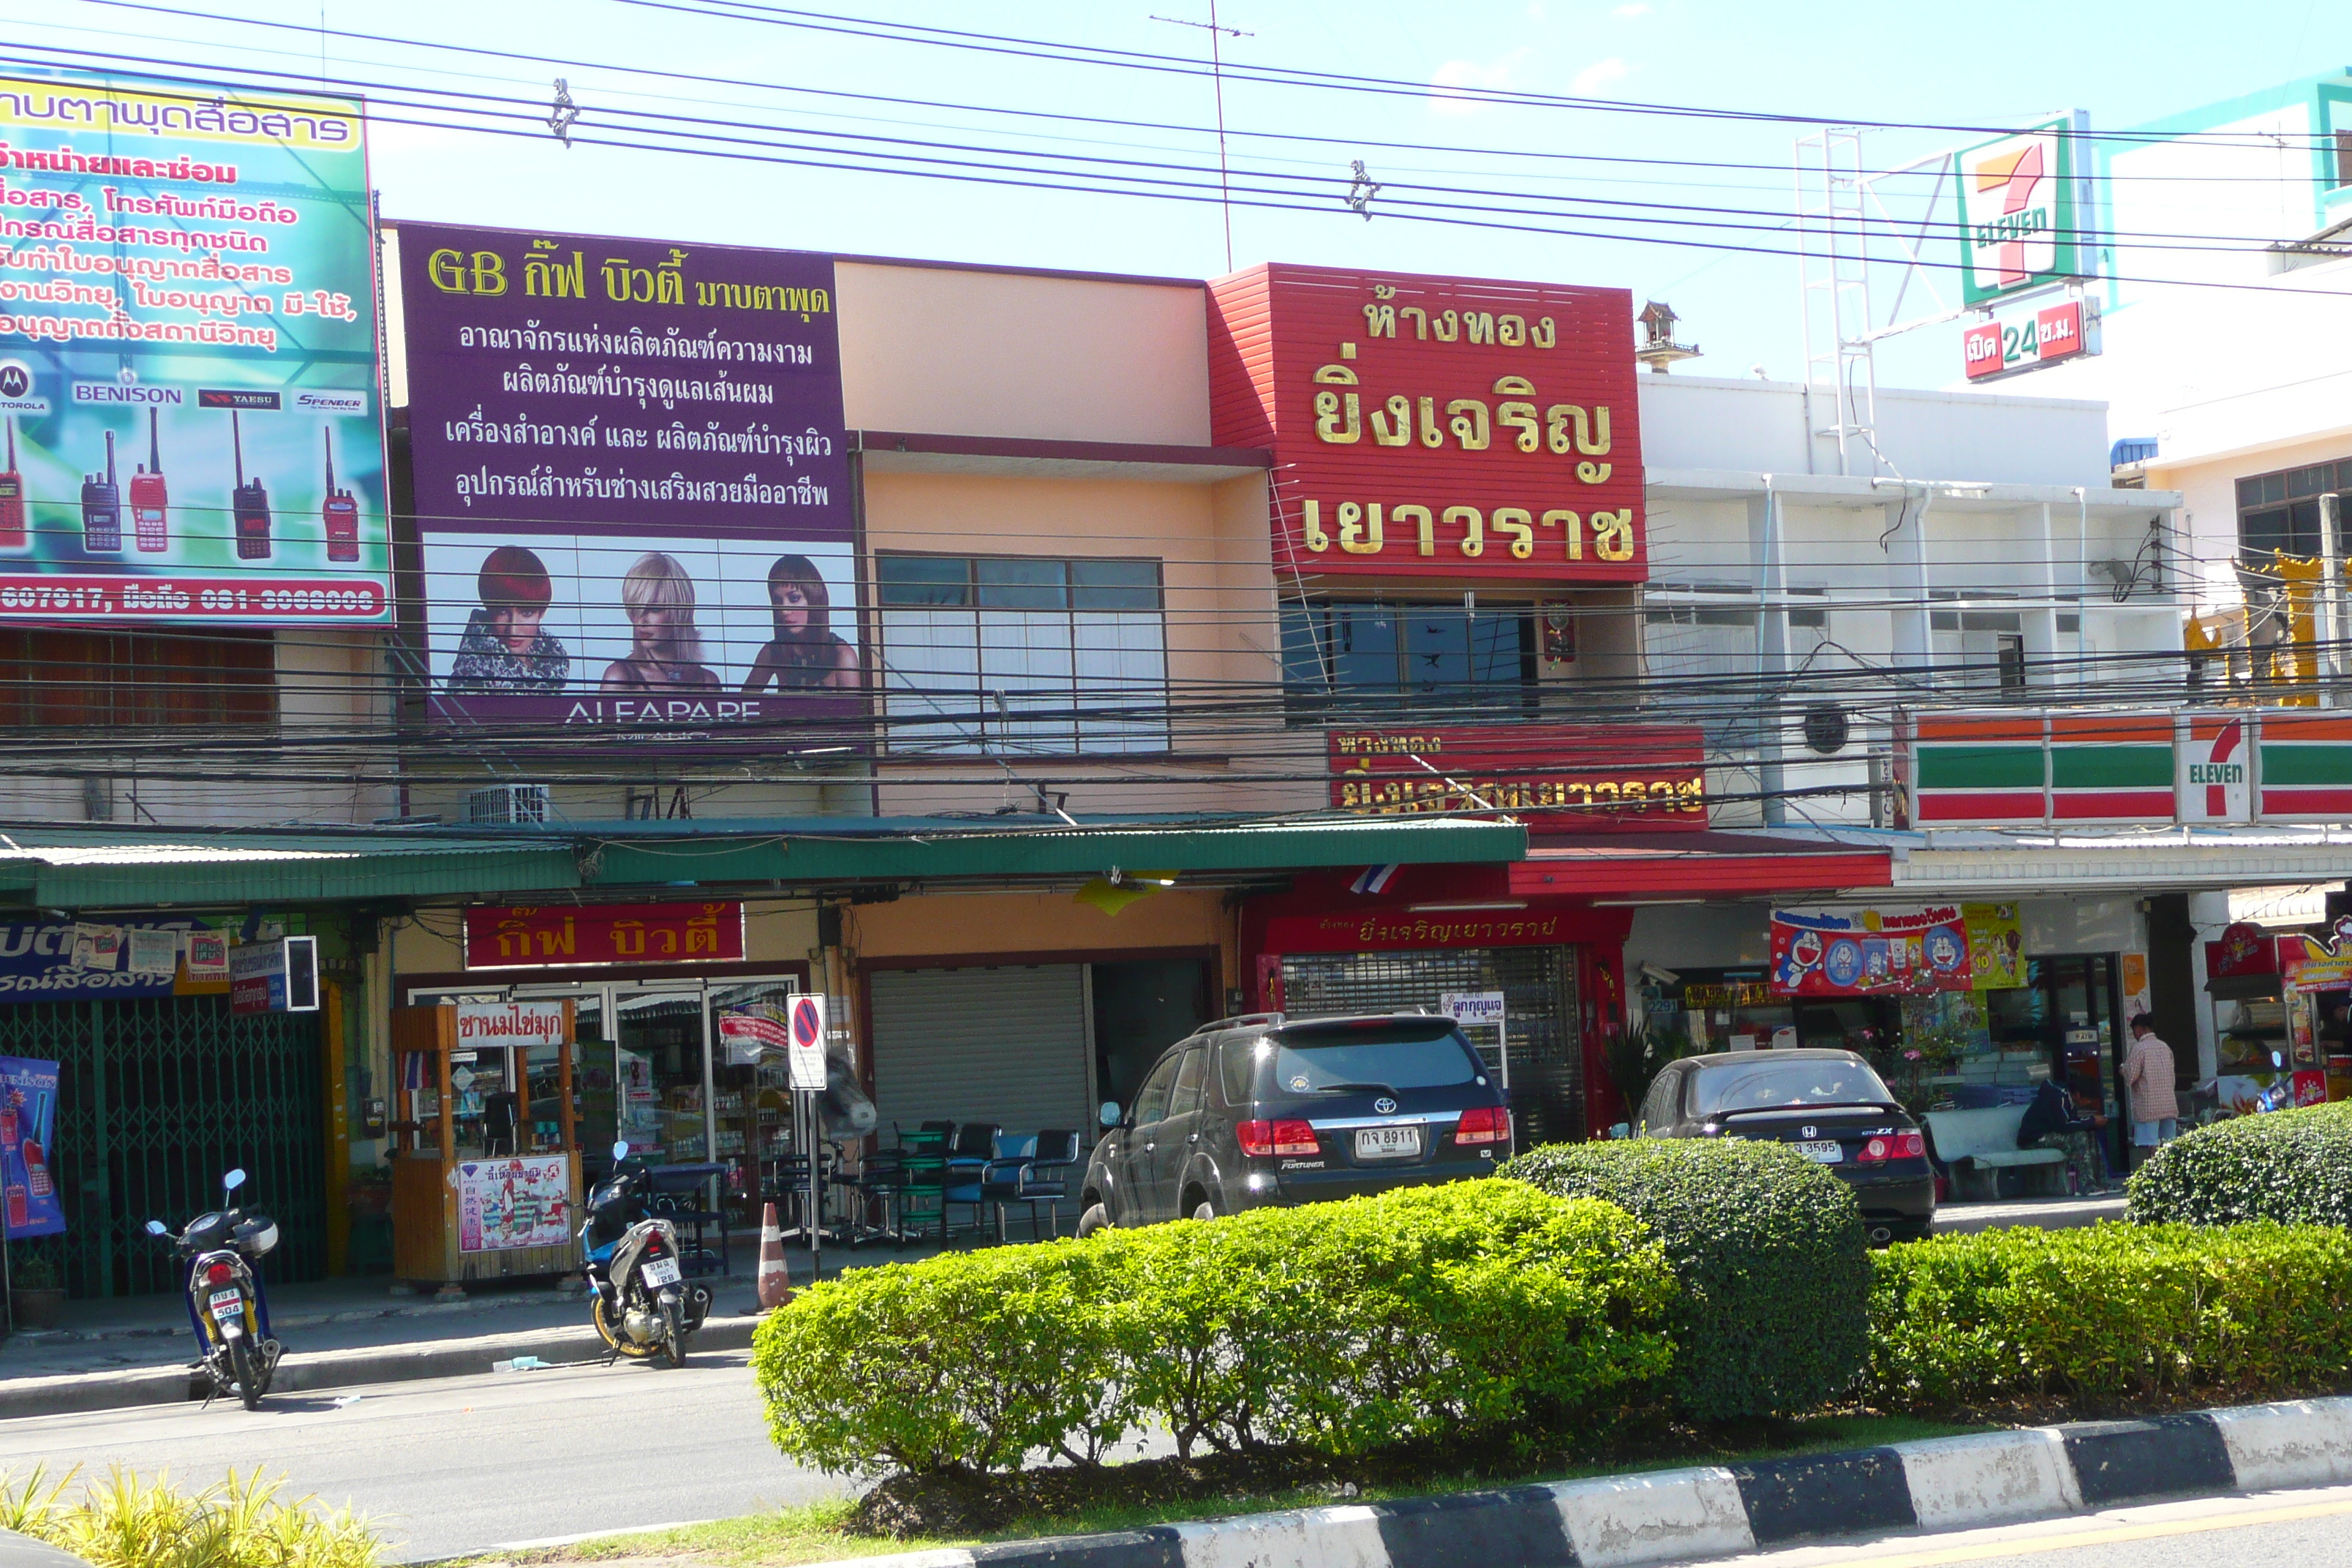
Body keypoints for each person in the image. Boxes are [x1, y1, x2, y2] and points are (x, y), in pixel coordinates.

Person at [449, 545, 568, 691]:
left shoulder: (553, 663)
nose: (513, 629)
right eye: (503, 612)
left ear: (541, 613)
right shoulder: (473, 680)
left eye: (526, 613)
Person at [600, 551, 721, 693]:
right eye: (635, 609)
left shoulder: (707, 683)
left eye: (654, 609)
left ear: (679, 611)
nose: (641, 621)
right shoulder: (620, 677)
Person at [741, 554, 858, 693]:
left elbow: (855, 711)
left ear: (814, 599)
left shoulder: (842, 654)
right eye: (778, 601)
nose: (784, 610)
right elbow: (744, 705)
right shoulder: (773, 651)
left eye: (794, 598)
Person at [2016, 1076, 2112, 1191]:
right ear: (2077, 1094)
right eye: (2087, 1099)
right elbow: (2063, 1126)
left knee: (2090, 1134)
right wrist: (2091, 1121)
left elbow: (2072, 1124)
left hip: (2050, 1134)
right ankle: (2086, 1186)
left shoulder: (2069, 1101)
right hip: (2034, 1138)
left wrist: (2091, 1124)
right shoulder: (2057, 1097)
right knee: (2079, 1138)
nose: (2088, 1103)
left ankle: (2102, 1183)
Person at [2120, 1012, 2180, 1166]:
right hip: (2169, 1103)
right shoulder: (2165, 1047)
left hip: (2149, 1106)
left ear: (2139, 1029)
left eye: (2134, 1030)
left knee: (2152, 1145)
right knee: (2168, 1144)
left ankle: (2155, 1175)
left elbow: (2130, 1077)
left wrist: (2123, 1069)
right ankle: (2169, 1175)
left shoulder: (2139, 1049)